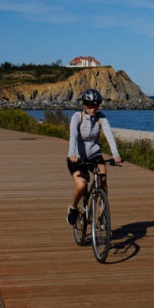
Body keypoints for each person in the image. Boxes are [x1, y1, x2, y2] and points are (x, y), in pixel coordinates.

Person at [66, 89, 122, 225]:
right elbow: (73, 135)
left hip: (94, 155)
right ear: (85, 105)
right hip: (77, 157)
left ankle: (102, 214)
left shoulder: (100, 117)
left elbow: (109, 134)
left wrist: (115, 154)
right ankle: (73, 209)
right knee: (81, 185)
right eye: (90, 105)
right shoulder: (77, 117)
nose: (93, 108)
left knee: (102, 178)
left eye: (96, 105)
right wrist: (71, 153)